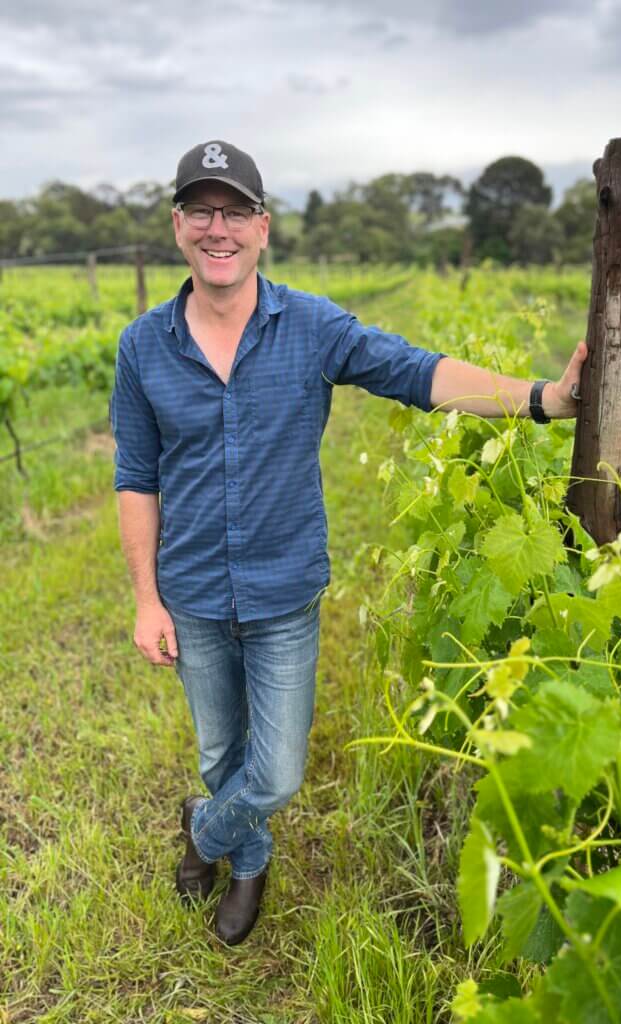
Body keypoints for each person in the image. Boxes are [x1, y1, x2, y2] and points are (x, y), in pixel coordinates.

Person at [109, 139, 586, 946]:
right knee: (222, 754)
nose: (218, 228)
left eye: (235, 212)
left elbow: (419, 373)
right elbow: (135, 478)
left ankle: (206, 832)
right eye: (202, 210)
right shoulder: (142, 346)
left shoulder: (311, 327)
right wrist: (146, 600)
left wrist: (545, 398)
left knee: (275, 772)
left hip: (283, 591)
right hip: (192, 592)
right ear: (178, 225)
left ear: (263, 228)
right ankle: (249, 863)